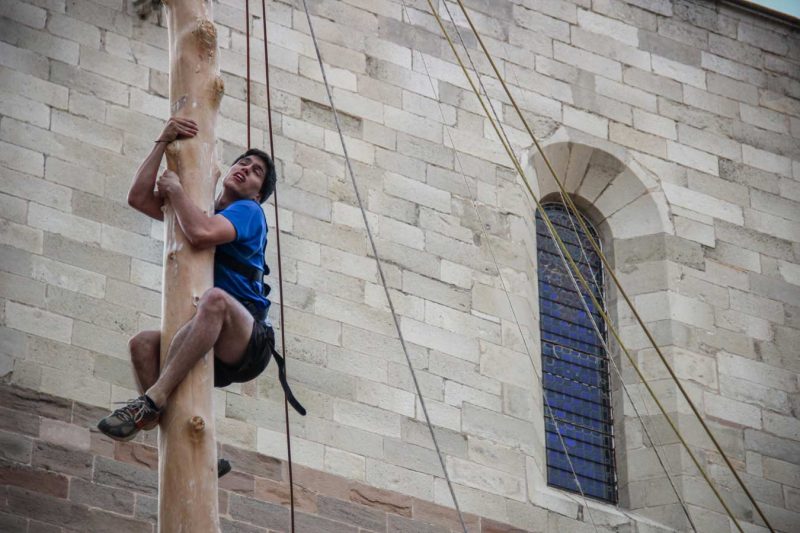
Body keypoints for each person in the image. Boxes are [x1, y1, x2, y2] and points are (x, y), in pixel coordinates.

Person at [97, 117, 304, 448]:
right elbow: (138, 198)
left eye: (256, 172)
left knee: (216, 298)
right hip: (207, 334)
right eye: (243, 163)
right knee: (142, 345)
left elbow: (201, 233)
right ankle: (189, 446)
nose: (246, 169)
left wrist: (176, 191)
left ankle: (151, 401)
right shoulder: (198, 208)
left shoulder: (248, 212)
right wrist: (162, 142)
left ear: (258, 193)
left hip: (246, 338)